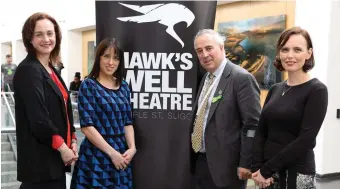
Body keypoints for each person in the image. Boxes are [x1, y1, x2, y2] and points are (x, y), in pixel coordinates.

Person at [251, 27, 328, 189]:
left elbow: (305, 140)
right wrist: (257, 166)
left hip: (296, 172)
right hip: (268, 173)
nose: (290, 55)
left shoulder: (317, 90)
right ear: (279, 53)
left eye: (297, 50)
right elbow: (261, 130)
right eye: (285, 50)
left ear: (309, 53)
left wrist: (266, 170)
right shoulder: (275, 89)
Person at [13, 12, 78, 189]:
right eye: (39, 34)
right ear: (30, 39)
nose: (46, 39)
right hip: (40, 166)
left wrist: (72, 139)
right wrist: (63, 148)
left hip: (54, 163)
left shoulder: (50, 68)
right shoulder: (28, 70)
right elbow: (39, 119)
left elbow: (64, 108)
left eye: (50, 33)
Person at [190, 29, 261, 189]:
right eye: (199, 51)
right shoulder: (206, 78)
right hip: (201, 161)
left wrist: (246, 163)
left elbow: (252, 125)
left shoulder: (241, 78)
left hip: (228, 168)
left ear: (222, 48)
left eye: (209, 48)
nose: (204, 54)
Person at [71, 38, 136, 189]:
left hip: (121, 154)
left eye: (116, 58)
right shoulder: (89, 85)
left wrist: (132, 148)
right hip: (96, 155)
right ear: (98, 57)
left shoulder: (124, 85)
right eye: (106, 56)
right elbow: (87, 127)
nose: (111, 62)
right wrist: (112, 153)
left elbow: (127, 122)